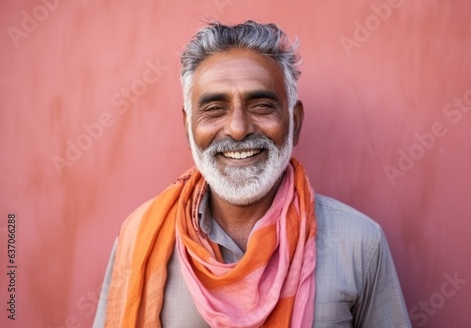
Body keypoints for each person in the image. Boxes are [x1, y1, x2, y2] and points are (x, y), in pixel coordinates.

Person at [93, 20, 411, 328]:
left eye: (260, 105)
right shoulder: (139, 240)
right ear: (188, 128)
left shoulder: (359, 243)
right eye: (215, 108)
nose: (238, 129)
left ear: (295, 122)